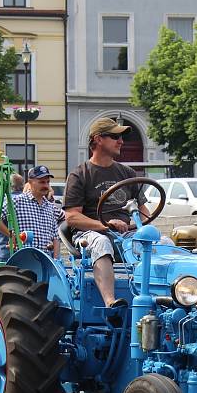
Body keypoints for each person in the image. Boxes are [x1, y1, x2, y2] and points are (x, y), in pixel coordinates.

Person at [63, 117, 150, 307]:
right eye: (115, 136)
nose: (121, 141)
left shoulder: (126, 173)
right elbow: (72, 217)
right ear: (98, 139)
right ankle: (111, 302)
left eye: (121, 137)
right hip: (90, 233)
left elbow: (144, 210)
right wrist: (105, 225)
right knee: (102, 242)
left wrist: (139, 227)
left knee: (161, 243)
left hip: (125, 233)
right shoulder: (80, 174)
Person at [0, 166, 60, 256]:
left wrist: (56, 261)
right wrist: (11, 235)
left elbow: (55, 237)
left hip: (44, 261)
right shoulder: (17, 201)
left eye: (47, 182)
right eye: (41, 182)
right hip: (22, 260)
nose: (45, 185)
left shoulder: (50, 207)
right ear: (30, 182)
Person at [0, 173, 24, 261]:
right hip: (24, 251)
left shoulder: (8, 200)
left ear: (8, 185)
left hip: (6, 250)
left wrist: (11, 235)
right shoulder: (27, 201)